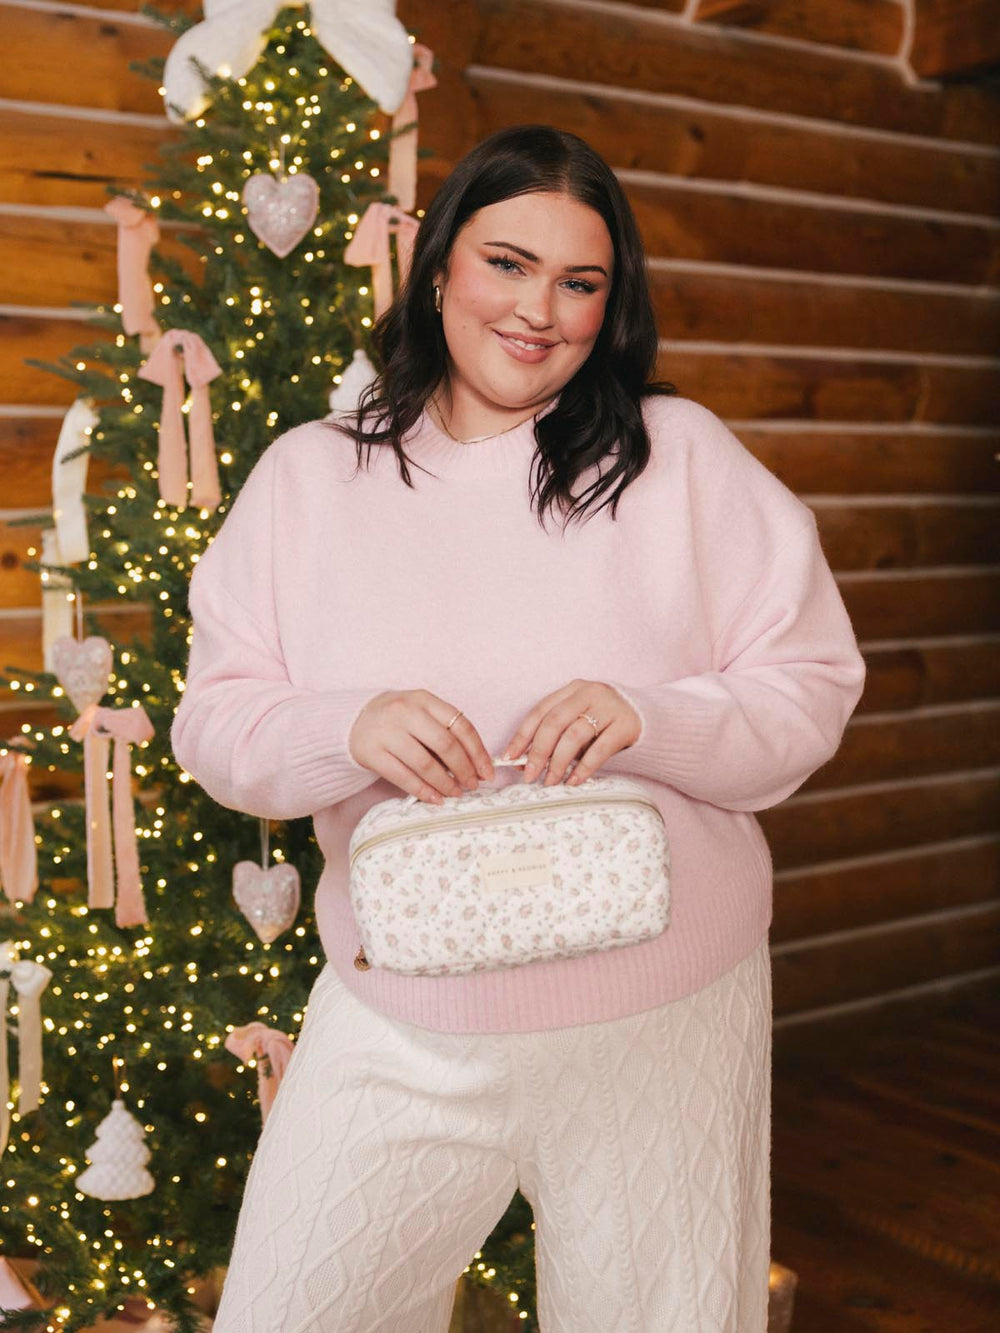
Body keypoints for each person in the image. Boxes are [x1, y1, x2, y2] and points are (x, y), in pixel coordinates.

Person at [171, 124, 866, 1332]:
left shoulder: (682, 460)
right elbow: (215, 730)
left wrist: (653, 717)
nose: (538, 308)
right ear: (439, 268)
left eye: (579, 281)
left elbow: (808, 686)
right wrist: (351, 726)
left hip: (661, 1017)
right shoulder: (307, 481)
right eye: (505, 262)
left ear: (612, 303)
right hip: (400, 1017)